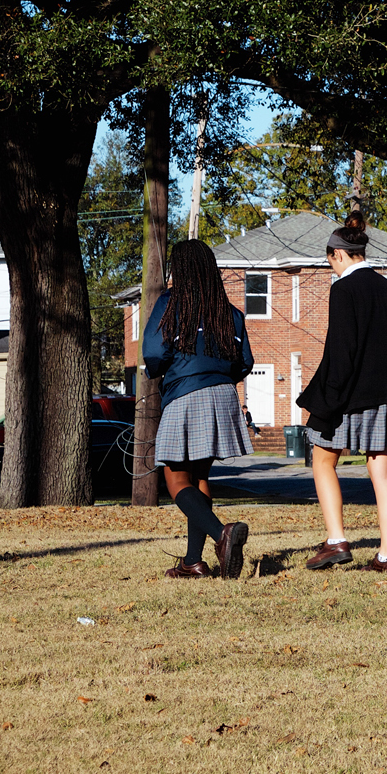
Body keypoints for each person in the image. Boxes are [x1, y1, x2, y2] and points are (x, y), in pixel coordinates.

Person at [296, 213, 387, 573]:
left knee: (323, 461)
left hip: (349, 395)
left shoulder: (344, 289)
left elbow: (342, 352)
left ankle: (336, 539)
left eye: (329, 263)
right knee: (382, 475)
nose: (331, 270)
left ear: (338, 254)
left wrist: (327, 399)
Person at [143, 239, 255, 579]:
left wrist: (162, 370)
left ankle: (222, 534)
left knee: (176, 480)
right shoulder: (230, 312)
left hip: (186, 393)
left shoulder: (170, 304)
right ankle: (193, 562)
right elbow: (245, 361)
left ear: (180, 270)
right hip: (223, 394)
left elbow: (154, 353)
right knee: (200, 476)